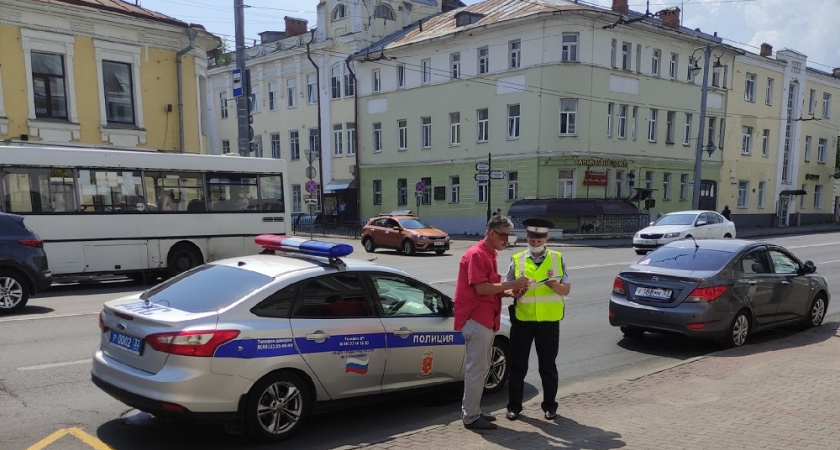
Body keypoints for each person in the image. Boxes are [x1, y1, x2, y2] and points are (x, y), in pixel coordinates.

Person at [454, 215, 531, 431]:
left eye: (509, 236)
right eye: (504, 235)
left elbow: (490, 288)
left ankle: (474, 410)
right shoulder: (477, 254)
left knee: (481, 368)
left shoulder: (488, 254)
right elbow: (481, 288)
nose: (507, 240)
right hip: (477, 319)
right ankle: (470, 416)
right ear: (492, 233)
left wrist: (510, 291)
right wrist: (510, 284)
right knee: (476, 370)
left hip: (485, 319)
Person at [505, 217, 570, 422]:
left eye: (539, 240)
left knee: (548, 366)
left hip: (549, 321)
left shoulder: (557, 258)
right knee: (517, 366)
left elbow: (566, 289)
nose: (535, 244)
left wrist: (555, 286)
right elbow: (507, 287)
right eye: (532, 240)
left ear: (546, 238)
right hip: (523, 320)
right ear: (527, 237)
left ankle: (550, 406)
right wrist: (515, 291)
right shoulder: (517, 259)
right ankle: (514, 407)